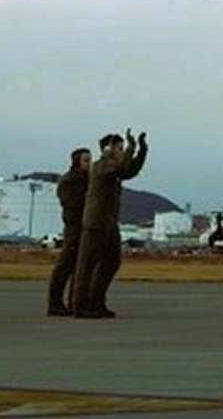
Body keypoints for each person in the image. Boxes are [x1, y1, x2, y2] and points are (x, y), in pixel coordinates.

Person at [73, 129, 147, 319]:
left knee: (112, 262)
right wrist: (131, 148)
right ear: (109, 149)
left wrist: (141, 150)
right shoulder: (101, 166)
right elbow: (121, 165)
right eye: (119, 148)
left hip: (109, 223)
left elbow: (129, 171)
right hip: (95, 223)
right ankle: (81, 306)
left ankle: (97, 302)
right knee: (86, 266)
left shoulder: (114, 168)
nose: (122, 152)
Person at [46, 146, 90, 316]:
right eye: (86, 160)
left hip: (85, 226)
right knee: (65, 266)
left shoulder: (88, 179)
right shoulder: (69, 181)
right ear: (77, 161)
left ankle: (75, 302)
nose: (89, 163)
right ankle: (55, 303)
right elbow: (71, 204)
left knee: (81, 267)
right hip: (74, 227)